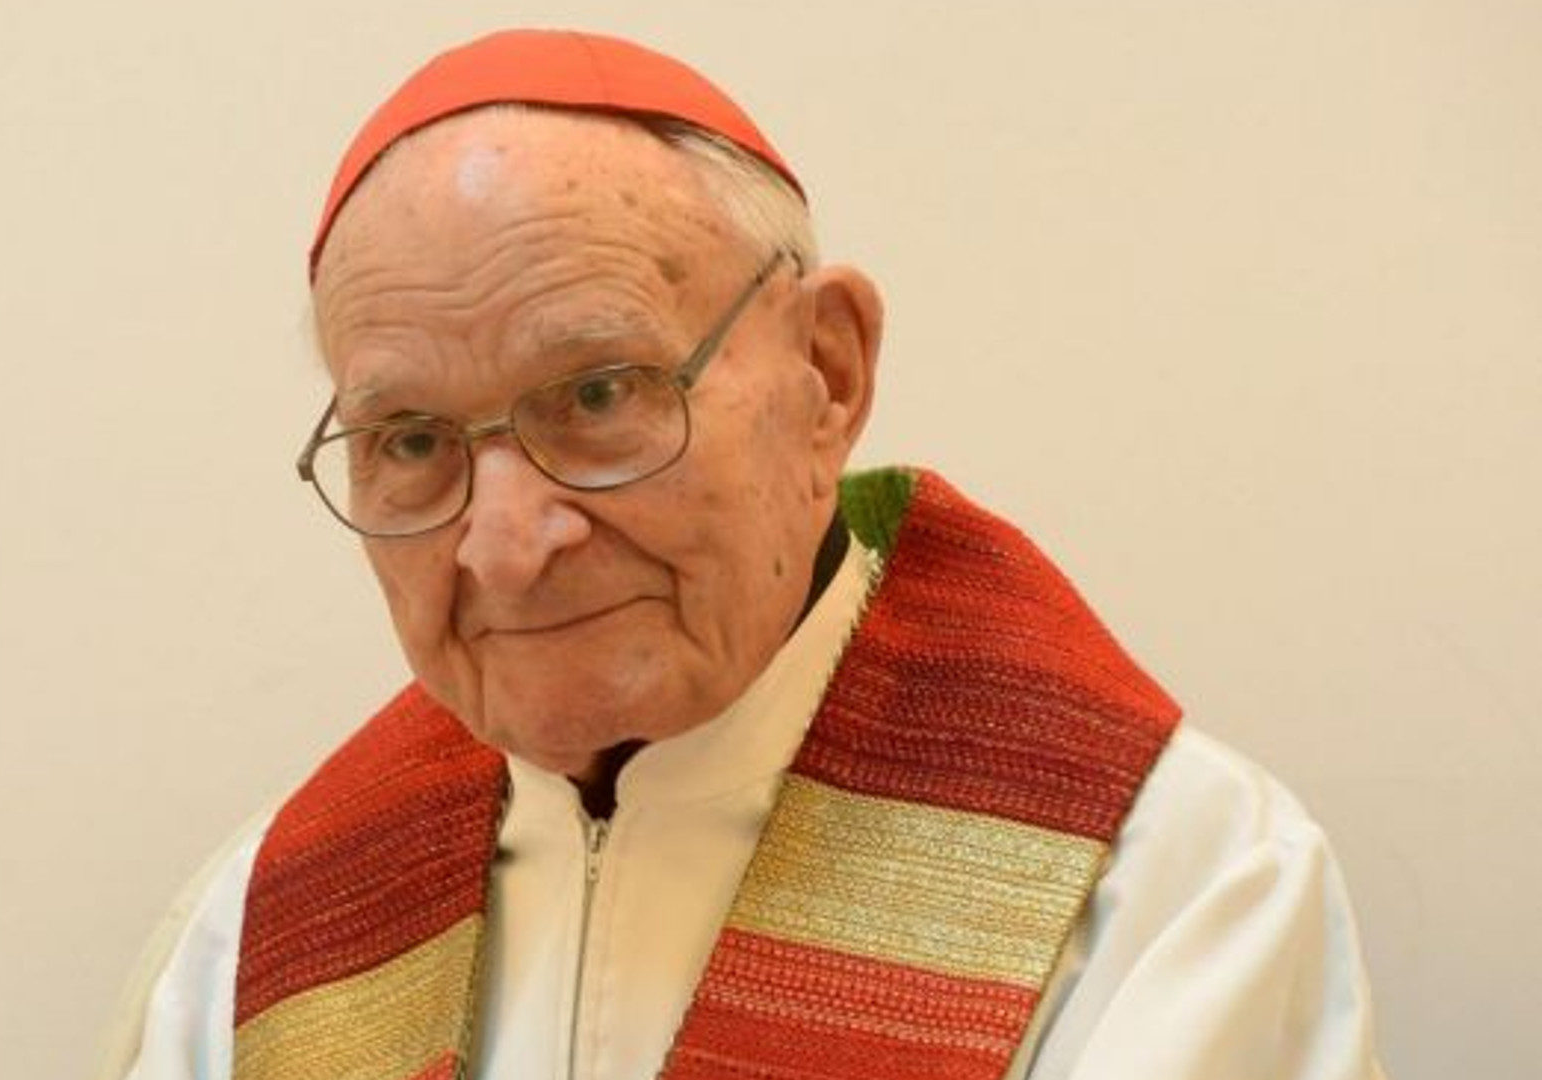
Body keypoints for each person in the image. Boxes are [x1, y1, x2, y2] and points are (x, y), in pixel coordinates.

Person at [99, 28, 1386, 1080]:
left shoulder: (1167, 893)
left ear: (827, 373)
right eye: (413, 438)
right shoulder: (263, 940)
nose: (504, 547)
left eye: (599, 397)